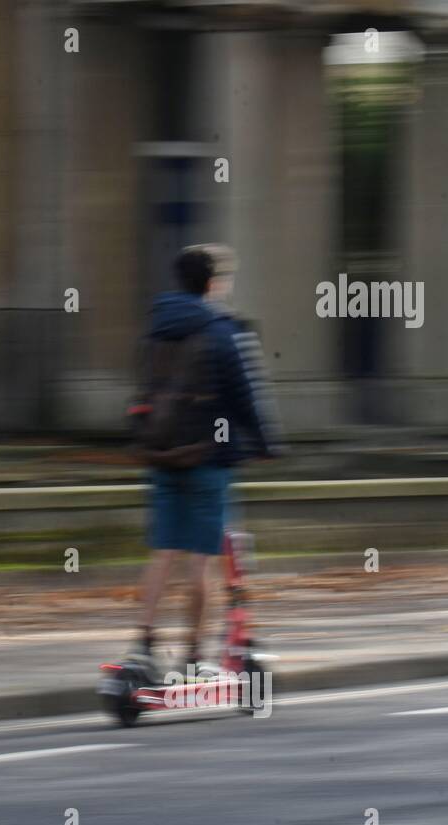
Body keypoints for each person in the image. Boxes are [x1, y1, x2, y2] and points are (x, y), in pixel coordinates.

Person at [128, 245, 280, 669]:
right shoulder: (224, 329)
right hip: (208, 459)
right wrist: (266, 444)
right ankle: (194, 656)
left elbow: (143, 390)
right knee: (202, 562)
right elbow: (247, 395)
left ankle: (142, 644)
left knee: (163, 553)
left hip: (161, 455)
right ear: (214, 283)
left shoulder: (156, 328)